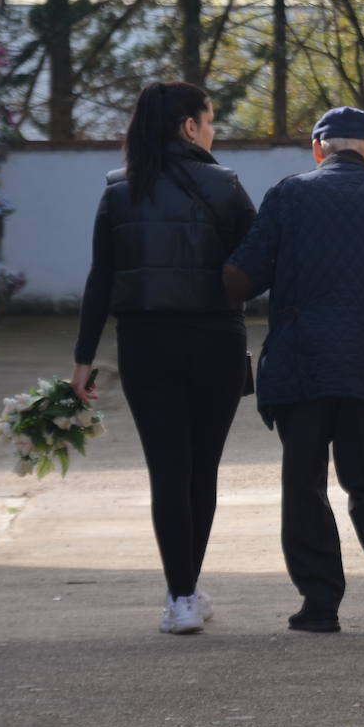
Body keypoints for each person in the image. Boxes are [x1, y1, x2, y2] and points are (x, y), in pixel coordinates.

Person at [223, 106, 364, 633]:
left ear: (317, 149)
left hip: (301, 365)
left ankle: (320, 603)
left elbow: (242, 279)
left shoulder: (288, 194)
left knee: (304, 484)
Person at [71, 81, 256, 635]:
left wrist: (85, 357)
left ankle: (180, 595)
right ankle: (187, 591)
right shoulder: (224, 187)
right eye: (211, 119)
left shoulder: (118, 192)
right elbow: (257, 264)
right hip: (215, 343)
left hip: (144, 346)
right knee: (202, 471)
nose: (214, 128)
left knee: (167, 471)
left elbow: (100, 278)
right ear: (189, 127)